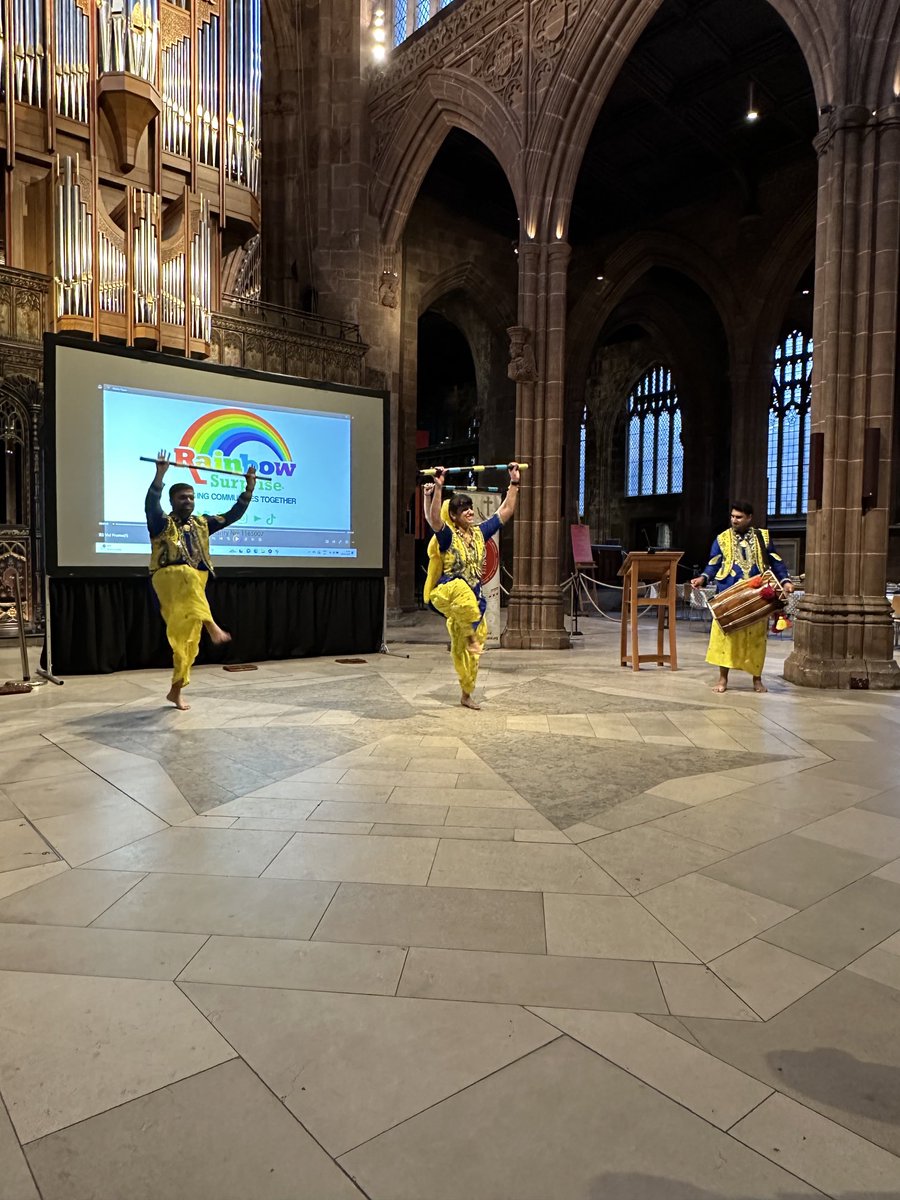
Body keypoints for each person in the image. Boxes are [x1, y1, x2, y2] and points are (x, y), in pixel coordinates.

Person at [146, 450, 256, 710]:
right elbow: (151, 504)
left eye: (192, 497)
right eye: (183, 497)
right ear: (173, 500)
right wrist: (160, 475)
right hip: (168, 577)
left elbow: (233, 515)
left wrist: (248, 488)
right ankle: (213, 626)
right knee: (184, 573)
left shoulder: (203, 523)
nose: (188, 501)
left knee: (187, 642)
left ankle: (176, 690)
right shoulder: (161, 523)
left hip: (195, 583)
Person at [423, 463, 521, 709]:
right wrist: (437, 488)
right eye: (462, 509)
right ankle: (468, 635)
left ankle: (466, 692)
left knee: (469, 656)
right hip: (448, 592)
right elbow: (433, 518)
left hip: (474, 604)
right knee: (462, 592)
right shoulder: (448, 536)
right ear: (453, 516)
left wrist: (514, 482)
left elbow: (506, 510)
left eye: (469, 507)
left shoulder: (480, 533)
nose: (468, 512)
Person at [691, 500, 793, 694]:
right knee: (726, 638)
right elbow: (713, 563)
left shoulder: (762, 537)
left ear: (749, 518)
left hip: (758, 596)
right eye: (732, 516)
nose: (734, 520)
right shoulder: (721, 538)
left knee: (756, 639)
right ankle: (723, 679)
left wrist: (785, 581)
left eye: (739, 517)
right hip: (729, 595)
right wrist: (703, 578)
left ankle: (757, 680)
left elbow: (775, 560)